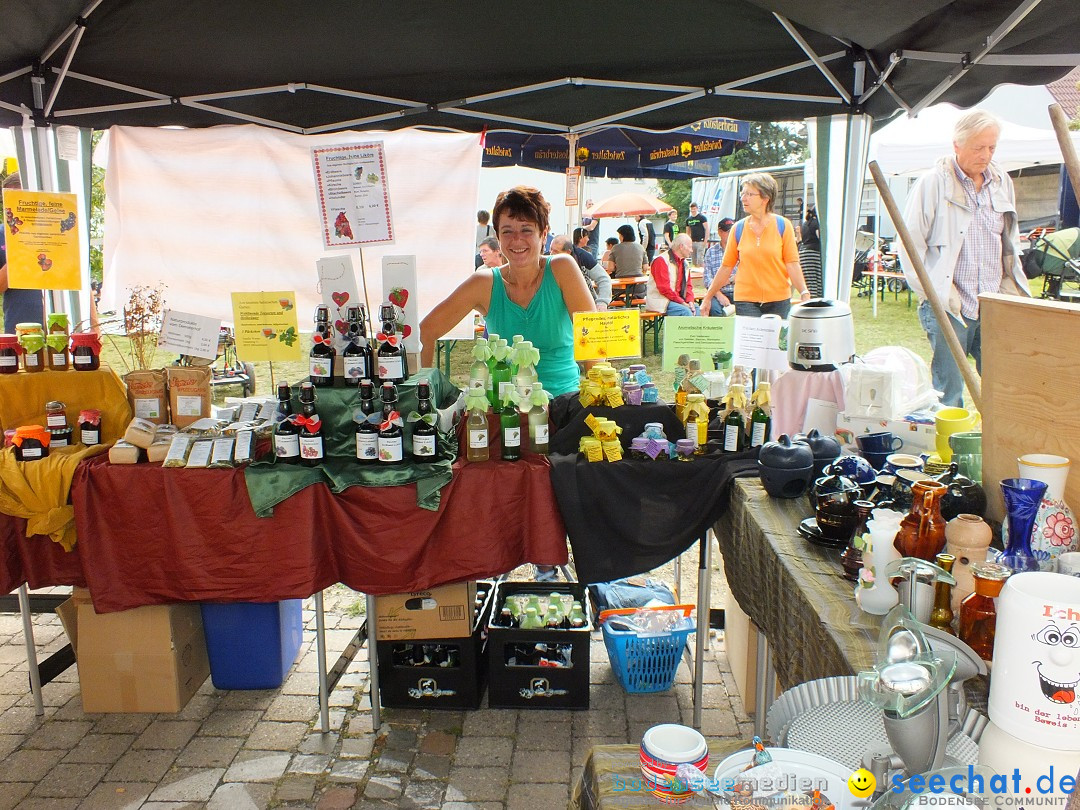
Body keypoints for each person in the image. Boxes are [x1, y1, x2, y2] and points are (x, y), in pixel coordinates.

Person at [898, 110, 1027, 408]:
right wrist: (932, 294)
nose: (986, 155)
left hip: (993, 303)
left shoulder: (1001, 181)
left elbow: (1009, 238)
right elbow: (910, 244)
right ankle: (951, 452)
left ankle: (1000, 447)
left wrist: (1012, 283)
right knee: (949, 393)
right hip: (951, 304)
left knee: (1005, 386)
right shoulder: (933, 184)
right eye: (978, 147)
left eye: (992, 148)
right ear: (957, 145)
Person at [420, 186, 596, 397]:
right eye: (507, 231)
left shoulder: (562, 268)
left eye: (526, 230)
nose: (516, 239)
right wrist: (422, 394)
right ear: (498, 236)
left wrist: (599, 401)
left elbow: (592, 341)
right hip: (507, 413)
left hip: (563, 406)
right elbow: (425, 331)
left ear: (544, 234)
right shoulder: (484, 283)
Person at [700, 172, 809, 319]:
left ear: (765, 198)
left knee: (772, 342)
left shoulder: (783, 225)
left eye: (750, 194)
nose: (743, 198)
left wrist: (804, 292)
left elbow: (792, 264)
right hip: (746, 300)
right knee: (752, 342)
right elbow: (726, 267)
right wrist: (708, 297)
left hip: (778, 299)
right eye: (743, 193)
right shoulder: (737, 228)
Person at [0, 172, 46, 333]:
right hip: (20, 327)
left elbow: (79, 275)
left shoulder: (55, 230)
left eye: (21, 201)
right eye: (10, 201)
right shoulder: (1, 234)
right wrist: (18, 250)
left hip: (61, 321)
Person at [550, 232, 611, 310]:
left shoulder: (583, 257)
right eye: (550, 249)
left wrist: (602, 302)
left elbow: (604, 279)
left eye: (556, 252)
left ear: (568, 252)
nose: (551, 254)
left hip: (585, 305)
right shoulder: (548, 260)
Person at [646, 233, 697, 316]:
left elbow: (688, 286)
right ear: (681, 247)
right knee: (685, 312)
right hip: (661, 301)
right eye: (690, 247)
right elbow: (664, 289)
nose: (691, 250)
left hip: (676, 300)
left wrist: (690, 301)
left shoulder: (685, 263)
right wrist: (683, 303)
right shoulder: (661, 260)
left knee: (698, 310)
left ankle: (693, 328)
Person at [700, 217, 736, 316]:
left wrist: (727, 280)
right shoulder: (711, 252)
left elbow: (745, 275)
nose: (731, 235)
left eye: (733, 231)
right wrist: (719, 294)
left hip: (739, 292)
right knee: (715, 309)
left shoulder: (741, 250)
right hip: (718, 292)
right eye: (728, 231)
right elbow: (707, 279)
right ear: (720, 232)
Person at [799, 206, 822, 298]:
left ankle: (810, 303)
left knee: (809, 284)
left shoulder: (805, 224)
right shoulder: (817, 224)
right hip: (814, 254)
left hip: (803, 253)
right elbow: (821, 239)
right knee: (818, 284)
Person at [685, 203, 708, 268]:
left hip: (700, 241)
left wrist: (705, 240)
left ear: (697, 209)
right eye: (691, 209)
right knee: (693, 260)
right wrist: (688, 242)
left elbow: (707, 229)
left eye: (694, 209)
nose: (693, 210)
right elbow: (688, 232)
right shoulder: (688, 220)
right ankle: (695, 272)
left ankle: (701, 272)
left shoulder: (702, 218)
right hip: (692, 242)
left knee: (700, 259)